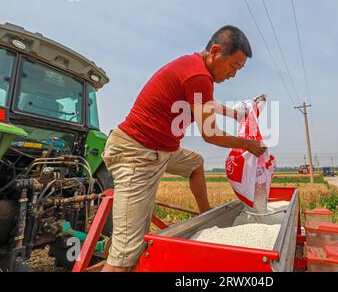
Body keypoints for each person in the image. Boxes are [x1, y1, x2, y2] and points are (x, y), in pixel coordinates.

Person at [101, 25, 266, 272]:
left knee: (195, 163)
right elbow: (210, 135)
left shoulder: (195, 69)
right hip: (137, 152)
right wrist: (248, 144)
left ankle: (206, 218)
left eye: (238, 69)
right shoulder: (198, 76)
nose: (233, 74)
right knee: (127, 252)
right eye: (233, 65)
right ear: (215, 51)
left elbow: (208, 104)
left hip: (162, 151)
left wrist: (237, 114)